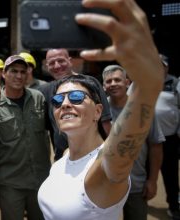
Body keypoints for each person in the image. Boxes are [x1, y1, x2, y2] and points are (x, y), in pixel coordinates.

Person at [37, 0, 164, 219]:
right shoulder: (65, 157)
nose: (65, 103)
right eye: (58, 100)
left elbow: (119, 155)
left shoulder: (105, 169)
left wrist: (147, 85)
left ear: (98, 111)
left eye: (76, 97)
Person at [0, 55, 51, 220]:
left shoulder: (38, 98)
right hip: (11, 184)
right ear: (4, 74)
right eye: (13, 71)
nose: (18, 76)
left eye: (22, 72)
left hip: (40, 181)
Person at [102, 64, 165, 220]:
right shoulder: (99, 110)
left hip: (136, 184)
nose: (113, 84)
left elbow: (156, 146)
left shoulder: (144, 110)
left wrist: (152, 180)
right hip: (105, 185)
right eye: (108, 81)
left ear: (128, 82)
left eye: (117, 79)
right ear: (103, 86)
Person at [39, 48, 112, 160]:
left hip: (94, 156)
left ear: (70, 61)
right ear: (47, 66)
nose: (57, 66)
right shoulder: (45, 91)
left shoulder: (89, 83)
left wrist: (109, 155)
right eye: (58, 100)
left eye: (76, 97)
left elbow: (105, 123)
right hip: (63, 159)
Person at [155, 54, 180, 219]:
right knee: (143, 173)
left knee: (170, 174)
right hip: (147, 139)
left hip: (169, 138)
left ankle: (173, 206)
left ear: (167, 67)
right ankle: (138, 206)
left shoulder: (175, 83)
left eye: (161, 65)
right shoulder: (141, 81)